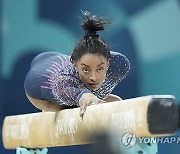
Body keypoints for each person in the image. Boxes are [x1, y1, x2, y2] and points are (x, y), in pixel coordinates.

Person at [24, 11, 130, 118]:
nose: (93, 77)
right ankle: (80, 98)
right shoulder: (62, 83)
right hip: (40, 87)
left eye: (100, 69)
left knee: (115, 102)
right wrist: (84, 96)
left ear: (108, 63)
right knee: (70, 106)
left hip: (64, 67)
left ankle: (85, 95)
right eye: (86, 70)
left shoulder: (119, 64)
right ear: (75, 64)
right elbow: (69, 89)